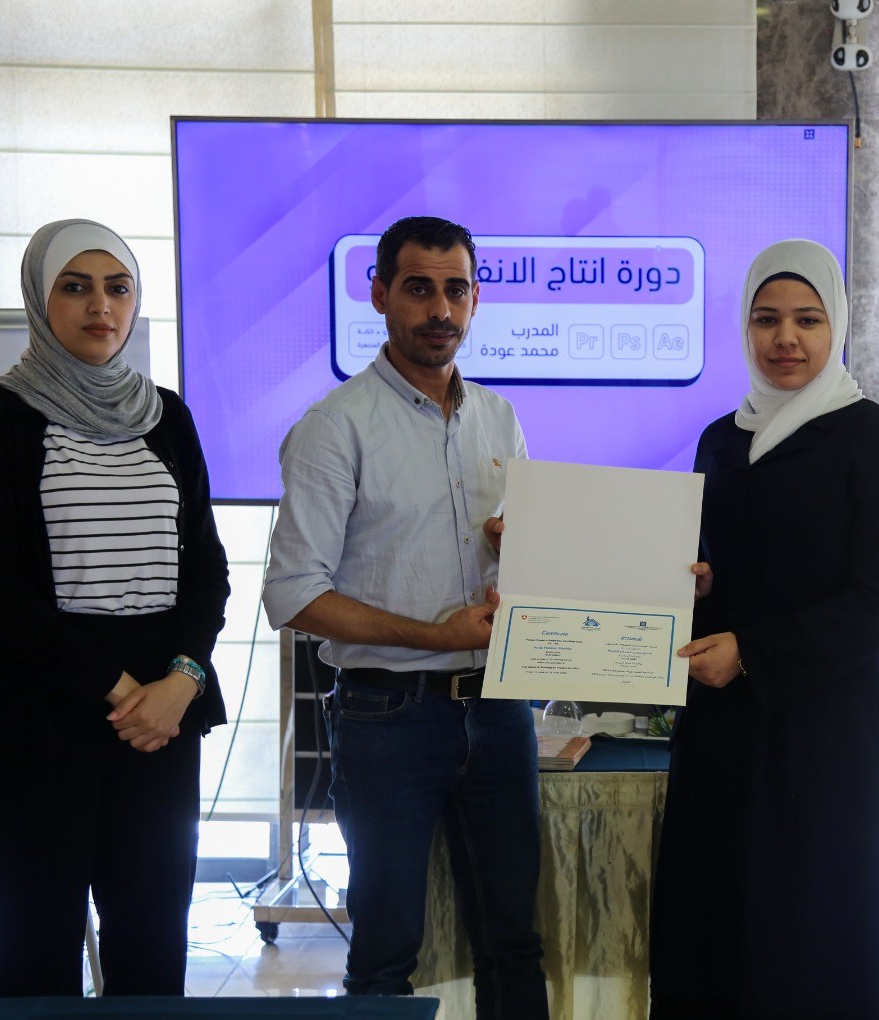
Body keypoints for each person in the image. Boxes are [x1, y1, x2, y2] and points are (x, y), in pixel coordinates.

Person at [262, 215, 547, 1013]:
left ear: (476, 299)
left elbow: (523, 563)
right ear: (380, 294)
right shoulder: (335, 427)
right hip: (387, 717)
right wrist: (433, 636)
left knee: (514, 942)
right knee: (386, 954)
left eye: (456, 290)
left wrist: (528, 550)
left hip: (499, 711)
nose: (440, 310)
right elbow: (293, 595)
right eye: (419, 289)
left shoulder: (498, 418)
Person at [0, 219, 230, 996]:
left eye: (118, 287)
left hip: (161, 716)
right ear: (41, 300)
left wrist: (180, 680)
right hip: (43, 710)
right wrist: (120, 689)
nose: (101, 306)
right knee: (34, 949)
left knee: (151, 944)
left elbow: (206, 568)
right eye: (75, 287)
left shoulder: (166, 415)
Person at [649, 239, 879, 1020]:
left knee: (814, 926)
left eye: (807, 319)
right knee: (717, 918)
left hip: (825, 729)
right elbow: (718, 565)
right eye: (766, 319)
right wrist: (697, 590)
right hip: (723, 726)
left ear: (835, 325)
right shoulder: (721, 440)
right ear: (744, 328)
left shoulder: (873, 439)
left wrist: (755, 652)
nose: (786, 338)